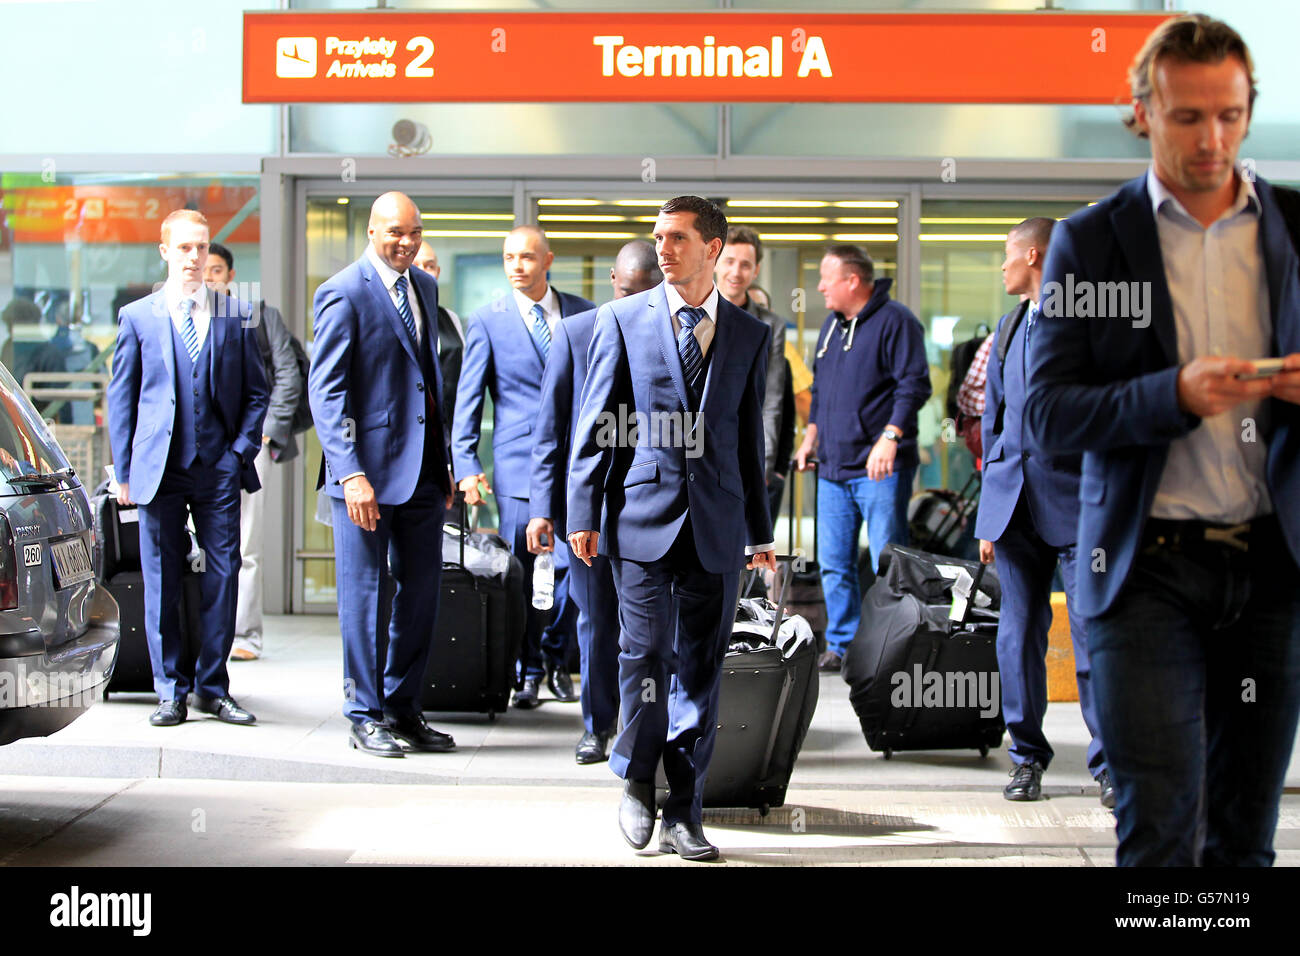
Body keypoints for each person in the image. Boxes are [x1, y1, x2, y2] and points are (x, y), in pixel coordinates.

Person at [1024, 14, 1300, 866]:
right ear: (1142, 111)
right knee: (1160, 830)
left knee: (1246, 837)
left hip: (1271, 568)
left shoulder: (1294, 228)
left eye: (1229, 114)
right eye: (1187, 116)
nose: (1211, 138)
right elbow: (1049, 415)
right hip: (1143, 569)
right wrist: (1168, 393)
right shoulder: (1091, 242)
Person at [568, 195, 776, 862]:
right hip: (640, 524)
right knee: (644, 656)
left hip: (715, 527)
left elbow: (750, 443)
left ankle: (685, 810)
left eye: (678, 238)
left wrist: (760, 533)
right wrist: (581, 512)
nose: (663, 248)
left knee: (701, 671)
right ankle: (636, 779)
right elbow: (596, 423)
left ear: (711, 249)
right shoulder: (624, 320)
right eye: (658, 237)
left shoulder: (749, 335)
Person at [105, 209, 268, 728]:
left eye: (202, 247)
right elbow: (122, 397)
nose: (195, 257)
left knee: (224, 572)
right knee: (162, 580)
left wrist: (238, 452)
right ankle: (169, 691)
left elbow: (258, 390)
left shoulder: (235, 313)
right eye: (184, 248)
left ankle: (213, 689)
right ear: (165, 251)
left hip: (218, 467)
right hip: (159, 470)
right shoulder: (138, 317)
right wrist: (124, 472)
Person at [308, 192, 457, 758]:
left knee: (422, 595)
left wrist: (443, 465)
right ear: (371, 232)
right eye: (395, 232)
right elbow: (328, 392)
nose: (407, 242)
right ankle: (364, 714)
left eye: (414, 232)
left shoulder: (424, 285)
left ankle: (403, 708)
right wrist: (349, 475)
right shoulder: (342, 292)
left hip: (420, 474)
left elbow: (429, 384)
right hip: (364, 478)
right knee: (367, 597)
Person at [975, 218, 1110, 807]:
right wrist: (987, 514)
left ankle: (1111, 765)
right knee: (1016, 637)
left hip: (1082, 506)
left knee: (1093, 636)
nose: (1001, 267)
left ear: (1033, 256)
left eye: (1006, 255)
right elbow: (993, 422)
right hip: (1015, 508)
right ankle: (1026, 758)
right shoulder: (1008, 327)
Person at [527, 240, 662, 765]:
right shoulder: (575, 333)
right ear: (612, 279)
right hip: (588, 510)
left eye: (646, 293)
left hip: (653, 507)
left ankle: (644, 724)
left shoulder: (673, 334)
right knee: (597, 621)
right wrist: (543, 507)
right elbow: (550, 430)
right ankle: (597, 725)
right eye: (627, 291)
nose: (634, 303)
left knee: (649, 629)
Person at [453, 225, 595, 708]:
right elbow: (468, 401)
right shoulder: (487, 321)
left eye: (527, 257)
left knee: (577, 574)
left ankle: (557, 656)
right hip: (517, 470)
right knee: (528, 575)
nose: (517, 266)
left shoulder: (584, 314)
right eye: (509, 257)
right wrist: (466, 462)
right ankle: (529, 667)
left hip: (577, 465)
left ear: (547, 260)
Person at [793, 245, 931, 671]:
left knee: (888, 562)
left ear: (852, 281)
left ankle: (894, 645)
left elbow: (914, 386)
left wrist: (890, 437)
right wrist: (810, 435)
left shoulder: (897, 322)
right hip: (833, 469)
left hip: (879, 469)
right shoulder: (833, 328)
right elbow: (819, 391)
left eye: (826, 278)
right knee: (835, 565)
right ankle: (842, 644)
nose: (819, 287)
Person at [204, 242, 303, 662]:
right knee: (197, 545)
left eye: (216, 270)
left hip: (247, 444)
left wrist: (266, 433)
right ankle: (204, 634)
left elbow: (287, 374)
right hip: (197, 447)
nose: (208, 277)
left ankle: (244, 634)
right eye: (203, 270)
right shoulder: (179, 317)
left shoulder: (258, 317)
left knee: (244, 544)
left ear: (230, 275)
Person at [715, 227, 788, 518]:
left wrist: (765, 461)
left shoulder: (771, 326)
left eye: (746, 264)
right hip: (698, 450)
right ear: (716, 260)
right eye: (730, 261)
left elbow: (771, 399)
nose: (736, 272)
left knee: (748, 550)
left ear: (756, 269)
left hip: (746, 450)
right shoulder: (690, 312)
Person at [413, 241, 466, 435]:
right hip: (410, 437)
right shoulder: (394, 319)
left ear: (438, 272)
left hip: (448, 434)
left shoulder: (450, 318)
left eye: (429, 266)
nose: (424, 272)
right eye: (416, 266)